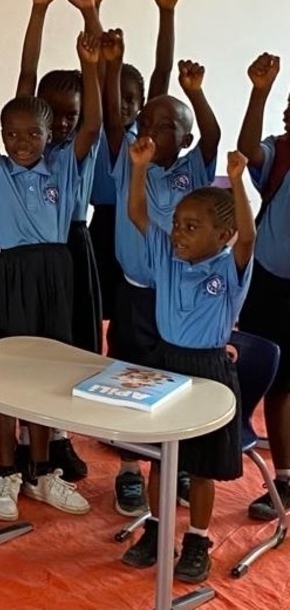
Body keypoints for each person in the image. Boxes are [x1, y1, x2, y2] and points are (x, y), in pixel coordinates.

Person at [0, 14, 101, 523]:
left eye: (30, 133)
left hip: (57, 272)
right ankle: (7, 469)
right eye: (11, 134)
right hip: (11, 273)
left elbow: (93, 125)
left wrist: (91, 66)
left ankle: (41, 469)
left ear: (46, 133)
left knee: (47, 372)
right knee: (8, 372)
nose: (20, 142)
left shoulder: (61, 165)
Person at [119, 141, 251, 584]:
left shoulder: (229, 268)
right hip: (167, 367)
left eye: (191, 227)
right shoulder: (168, 259)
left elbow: (249, 237)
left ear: (222, 236)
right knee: (161, 460)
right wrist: (138, 169)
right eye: (177, 224)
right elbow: (138, 215)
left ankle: (197, 539)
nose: (178, 233)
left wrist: (236, 182)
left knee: (200, 469)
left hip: (210, 372)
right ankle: (156, 531)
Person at [103, 32, 219, 517]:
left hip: (180, 301)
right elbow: (115, 118)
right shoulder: (131, 163)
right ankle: (130, 468)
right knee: (129, 379)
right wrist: (110, 63)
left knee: (176, 381)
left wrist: (194, 92)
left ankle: (180, 465)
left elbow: (211, 135)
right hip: (135, 295)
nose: (150, 130)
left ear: (185, 140)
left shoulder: (196, 166)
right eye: (145, 122)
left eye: (165, 126)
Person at [12, 0, 105, 482]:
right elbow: (26, 80)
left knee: (68, 346)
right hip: (33, 252)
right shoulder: (31, 151)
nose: (63, 124)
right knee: (32, 345)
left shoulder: (78, 151)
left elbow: (97, 101)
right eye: (54, 115)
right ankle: (29, 441)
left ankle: (61, 436)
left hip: (73, 246)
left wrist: (90, 15)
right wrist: (39, 10)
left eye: (70, 115)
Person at [87, 0, 186, 368]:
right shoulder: (116, 139)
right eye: (122, 98)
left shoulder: (147, 140)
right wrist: (93, 12)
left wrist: (167, 13)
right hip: (105, 227)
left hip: (145, 234)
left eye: (134, 99)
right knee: (103, 316)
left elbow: (162, 70)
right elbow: (104, 86)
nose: (127, 106)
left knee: (148, 324)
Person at [236, 52, 290, 520]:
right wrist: (260, 90)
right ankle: (284, 480)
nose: (289, 111)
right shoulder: (280, 150)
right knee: (275, 379)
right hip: (270, 283)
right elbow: (248, 147)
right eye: (289, 102)